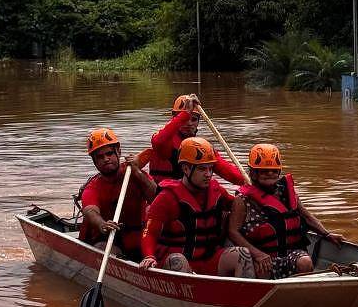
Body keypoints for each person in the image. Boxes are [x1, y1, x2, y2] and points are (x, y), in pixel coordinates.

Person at [139, 137, 253, 276]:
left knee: (243, 254)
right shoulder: (167, 197)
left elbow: (239, 206)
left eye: (211, 168)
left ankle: (240, 294)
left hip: (209, 259)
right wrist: (149, 256)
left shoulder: (217, 191)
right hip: (179, 262)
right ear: (186, 168)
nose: (208, 174)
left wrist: (252, 195)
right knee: (177, 260)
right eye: (202, 169)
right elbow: (149, 232)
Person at [228, 143, 344, 279]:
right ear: (253, 173)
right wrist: (257, 254)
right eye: (264, 171)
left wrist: (326, 234)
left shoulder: (288, 194)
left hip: (290, 253)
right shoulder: (243, 200)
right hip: (260, 256)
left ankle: (299, 292)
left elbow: (306, 216)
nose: (270, 174)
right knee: (262, 271)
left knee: (306, 262)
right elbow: (233, 232)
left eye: (274, 171)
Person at [78, 127, 157, 258]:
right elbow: (90, 211)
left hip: (138, 239)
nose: (106, 159)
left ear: (118, 152)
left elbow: (156, 198)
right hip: (108, 239)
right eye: (100, 157)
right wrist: (102, 224)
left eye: (109, 154)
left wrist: (137, 172)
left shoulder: (134, 173)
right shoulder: (92, 187)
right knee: (101, 249)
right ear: (95, 161)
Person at [147, 94, 245, 185]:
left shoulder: (202, 146)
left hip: (191, 194)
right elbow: (158, 141)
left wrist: (249, 182)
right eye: (186, 119)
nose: (189, 123)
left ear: (198, 122)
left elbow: (227, 171)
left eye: (194, 119)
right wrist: (185, 114)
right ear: (176, 118)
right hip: (165, 195)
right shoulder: (166, 141)